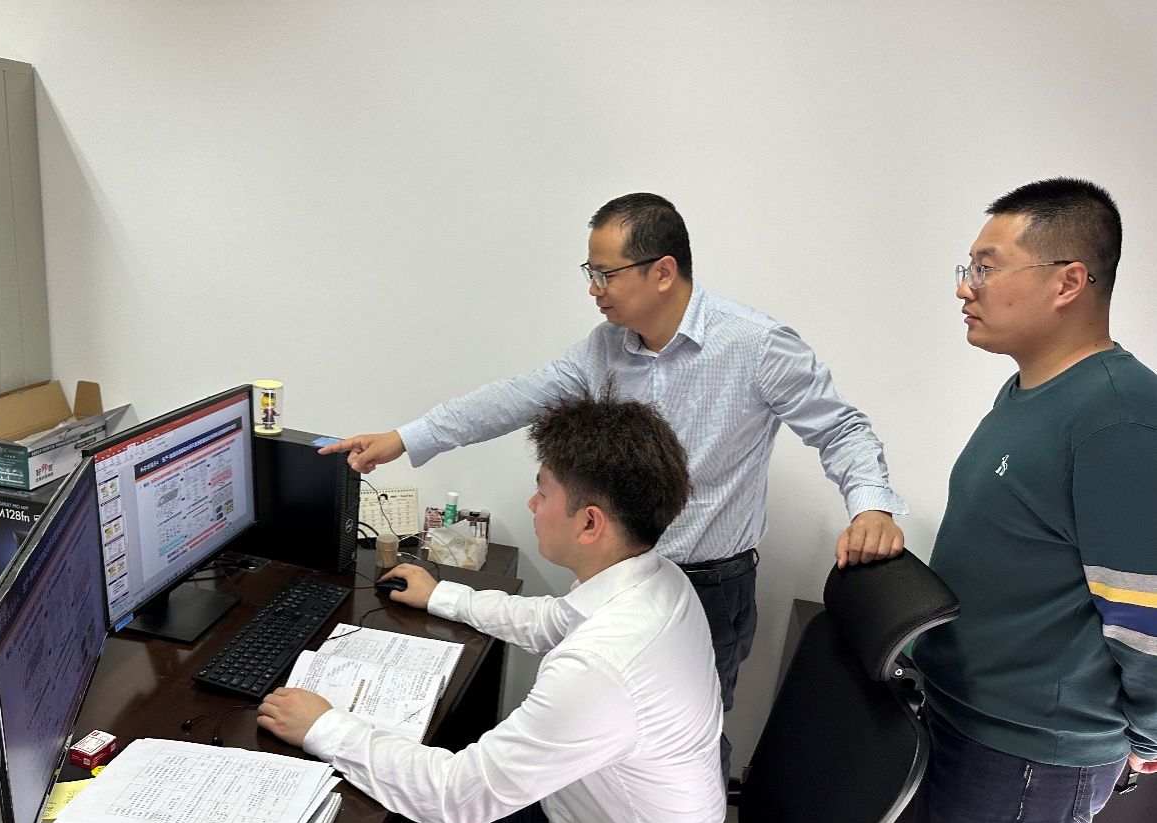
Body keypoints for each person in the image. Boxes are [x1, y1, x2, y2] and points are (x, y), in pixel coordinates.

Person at [319, 192, 907, 781]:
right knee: (593, 738)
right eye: (590, 273)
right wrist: (406, 438)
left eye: (606, 274)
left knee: (683, 744)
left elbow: (841, 428)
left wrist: (871, 508)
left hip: (707, 586)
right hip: (618, 577)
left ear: (663, 271)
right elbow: (517, 396)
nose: (593, 289)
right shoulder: (606, 347)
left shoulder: (756, 344)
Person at [260, 390, 726, 823]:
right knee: (452, 756)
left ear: (590, 523)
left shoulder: (601, 666)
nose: (532, 504)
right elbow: (551, 620)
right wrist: (442, 596)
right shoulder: (659, 582)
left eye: (543, 492)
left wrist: (324, 727)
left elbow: (457, 797)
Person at [908, 177, 1157, 823]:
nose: (965, 287)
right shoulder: (1028, 393)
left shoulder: (1119, 419)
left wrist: (1149, 738)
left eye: (985, 267)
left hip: (1026, 758)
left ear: (1067, 281)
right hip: (966, 720)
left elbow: (1146, 613)